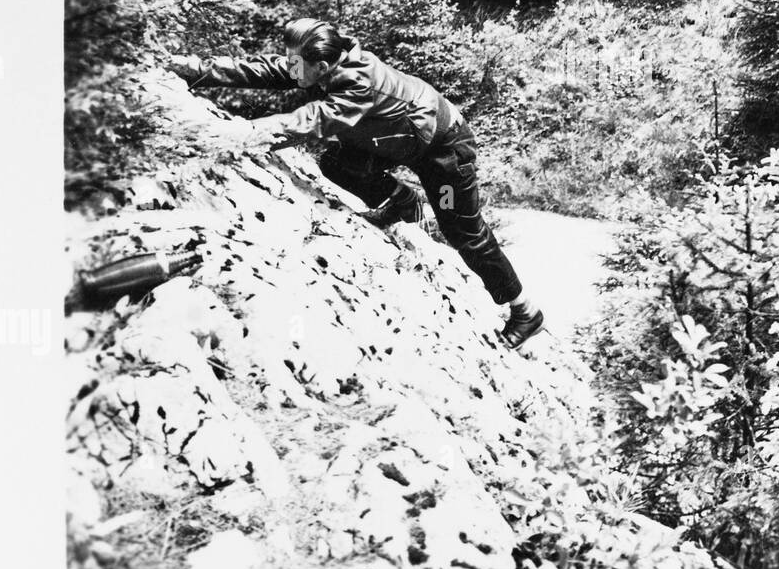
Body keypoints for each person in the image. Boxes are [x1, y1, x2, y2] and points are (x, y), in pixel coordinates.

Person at [167, 18, 545, 348]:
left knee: (463, 231)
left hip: (443, 147)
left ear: (323, 65)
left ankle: (524, 310)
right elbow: (262, 69)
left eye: (296, 63)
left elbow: (310, 121)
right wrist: (191, 69)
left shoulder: (357, 85)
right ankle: (400, 201)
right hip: (398, 137)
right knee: (337, 162)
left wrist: (242, 133)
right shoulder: (319, 63)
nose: (290, 67)